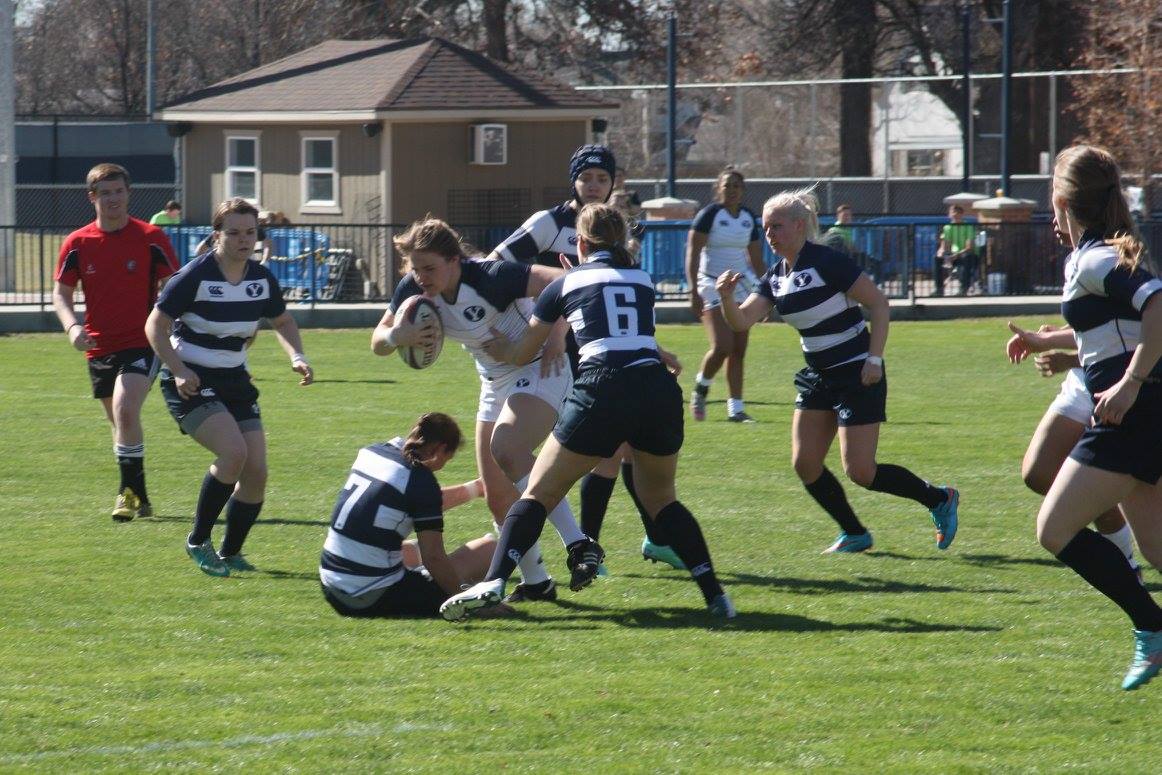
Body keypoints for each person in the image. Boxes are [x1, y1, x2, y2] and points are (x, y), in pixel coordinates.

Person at [440, 203, 734, 621]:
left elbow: (526, 349)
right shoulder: (642, 277)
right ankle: (715, 595)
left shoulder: (566, 281)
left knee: (539, 491)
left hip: (605, 386)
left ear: (579, 242)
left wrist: (504, 349)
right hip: (657, 389)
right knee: (661, 499)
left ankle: (495, 581)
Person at [717, 187, 960, 554]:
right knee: (805, 463)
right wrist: (724, 298)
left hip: (856, 373)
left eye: (776, 227)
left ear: (799, 226)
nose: (769, 235)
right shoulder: (775, 276)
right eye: (765, 228)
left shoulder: (827, 261)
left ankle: (939, 498)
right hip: (818, 376)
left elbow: (879, 303)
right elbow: (742, 321)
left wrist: (874, 359)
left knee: (861, 472)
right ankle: (855, 533)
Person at [372, 216, 597, 605]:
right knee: (497, 495)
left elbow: (566, 284)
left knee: (508, 449)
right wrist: (398, 335)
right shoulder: (414, 289)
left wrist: (559, 333)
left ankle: (578, 543)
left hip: (539, 365)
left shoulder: (491, 277)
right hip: (494, 380)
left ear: (454, 260)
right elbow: (377, 342)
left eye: (429, 268)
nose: (420, 276)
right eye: (415, 268)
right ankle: (537, 582)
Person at [488, 144, 687, 574]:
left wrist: (654, 348)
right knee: (607, 451)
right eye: (587, 178)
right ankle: (589, 549)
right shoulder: (548, 223)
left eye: (602, 178)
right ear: (573, 181)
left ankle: (645, 538)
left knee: (628, 449)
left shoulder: (618, 230)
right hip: (551, 354)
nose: (594, 185)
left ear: (613, 183)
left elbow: (618, 303)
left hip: (599, 348)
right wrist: (538, 322)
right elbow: (495, 267)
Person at [1028, 144, 1162, 690]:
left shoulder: (1096, 258)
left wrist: (1128, 384)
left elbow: (1158, 306)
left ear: (1061, 199)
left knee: (1054, 529)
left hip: (1130, 413)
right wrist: (1070, 354)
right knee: (1156, 550)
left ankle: (1152, 629)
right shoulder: (1095, 252)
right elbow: (1118, 331)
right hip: (1141, 409)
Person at [145, 197, 315, 577]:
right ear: (217, 235)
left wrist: (297, 356)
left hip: (236, 380)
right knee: (234, 453)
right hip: (192, 379)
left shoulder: (260, 279)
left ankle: (232, 553)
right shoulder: (193, 276)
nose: (244, 240)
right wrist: (177, 370)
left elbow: (283, 322)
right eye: (234, 232)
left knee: (256, 472)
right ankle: (198, 540)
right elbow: (154, 326)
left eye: (250, 232)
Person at [52, 163, 179, 521]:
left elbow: (174, 285)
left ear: (128, 193)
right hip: (98, 346)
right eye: (105, 193)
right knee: (120, 423)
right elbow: (61, 294)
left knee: (125, 410)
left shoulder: (151, 236)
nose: (113, 199)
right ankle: (141, 495)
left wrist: (171, 325)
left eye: (118, 191)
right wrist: (72, 328)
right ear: (92, 197)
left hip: (143, 342)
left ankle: (126, 495)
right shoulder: (77, 242)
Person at [320, 412, 504, 618]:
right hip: (368, 596)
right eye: (447, 458)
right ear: (441, 449)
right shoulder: (420, 481)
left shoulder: (373, 452)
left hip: (330, 584)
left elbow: (406, 500)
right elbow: (433, 558)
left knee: (411, 548)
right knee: (488, 550)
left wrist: (476, 488)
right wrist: (464, 600)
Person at [686, 168, 765, 423]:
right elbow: (693, 253)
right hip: (710, 283)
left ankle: (736, 409)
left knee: (739, 349)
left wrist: (768, 292)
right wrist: (693, 291)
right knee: (722, 346)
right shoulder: (709, 215)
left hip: (740, 285)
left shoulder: (748, 218)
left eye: (736, 186)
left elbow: (756, 258)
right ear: (718, 188)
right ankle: (701, 389)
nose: (731, 190)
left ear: (742, 191)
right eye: (727, 185)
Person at [935, 204, 981, 296]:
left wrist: (956, 255)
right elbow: (945, 246)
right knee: (937, 258)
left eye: (958, 213)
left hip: (969, 255)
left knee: (967, 258)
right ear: (949, 215)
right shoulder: (947, 227)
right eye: (953, 212)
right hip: (954, 256)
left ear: (962, 214)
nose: (955, 215)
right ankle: (939, 289)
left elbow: (969, 247)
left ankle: (963, 289)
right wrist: (942, 253)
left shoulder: (968, 227)